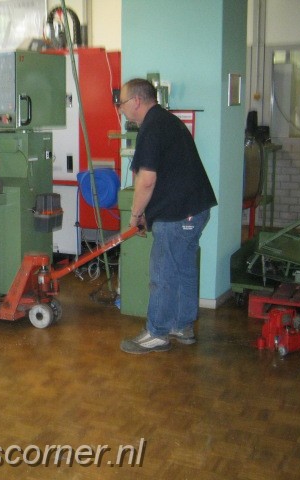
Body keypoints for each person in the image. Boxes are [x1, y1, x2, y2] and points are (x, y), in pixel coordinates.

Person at [117, 78, 217, 355]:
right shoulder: (167, 121)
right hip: (194, 210)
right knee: (183, 268)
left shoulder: (151, 127)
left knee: (163, 273)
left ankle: (157, 332)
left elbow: (147, 180)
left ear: (136, 101)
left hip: (179, 215)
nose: (121, 109)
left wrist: (135, 215)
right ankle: (182, 326)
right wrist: (149, 214)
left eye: (122, 103)